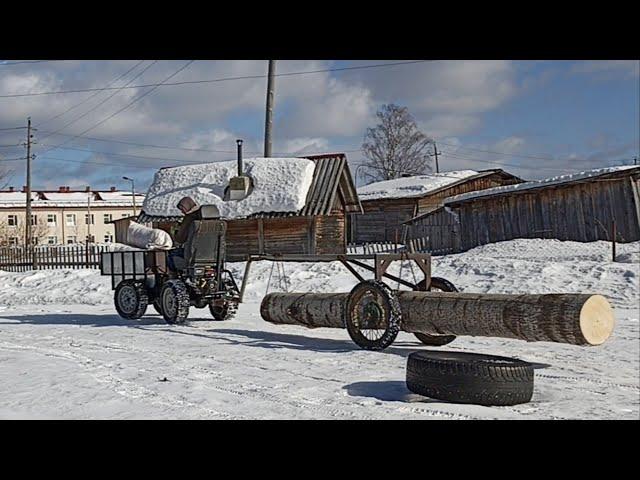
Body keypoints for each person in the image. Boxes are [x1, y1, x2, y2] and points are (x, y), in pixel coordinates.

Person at [167, 196, 201, 272]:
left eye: (182, 209)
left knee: (169, 255)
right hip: (213, 256)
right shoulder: (215, 222)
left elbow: (180, 239)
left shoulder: (189, 218)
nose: (182, 212)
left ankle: (174, 277)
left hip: (192, 254)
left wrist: (175, 232)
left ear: (187, 206)